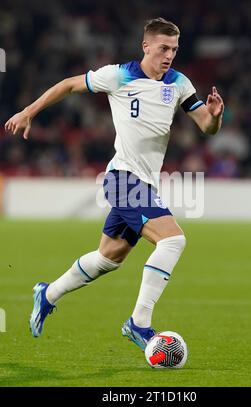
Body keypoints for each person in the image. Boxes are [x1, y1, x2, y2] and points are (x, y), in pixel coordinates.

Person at [5, 17, 224, 351]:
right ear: (146, 45)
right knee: (173, 240)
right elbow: (67, 85)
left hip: (145, 184)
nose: (169, 56)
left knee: (109, 257)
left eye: (175, 49)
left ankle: (47, 293)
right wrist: (29, 111)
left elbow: (207, 128)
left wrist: (215, 115)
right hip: (122, 178)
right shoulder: (118, 75)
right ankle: (139, 323)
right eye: (163, 48)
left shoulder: (179, 83)